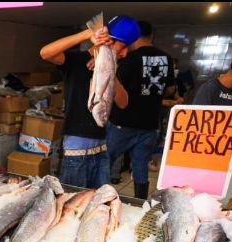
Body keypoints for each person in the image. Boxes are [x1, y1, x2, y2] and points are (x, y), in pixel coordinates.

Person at [40, 15, 140, 189]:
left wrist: (109, 70)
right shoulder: (77, 61)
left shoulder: (114, 66)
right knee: (74, 200)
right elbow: (45, 53)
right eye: (123, 46)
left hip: (102, 149)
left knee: (99, 199)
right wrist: (88, 33)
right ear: (109, 40)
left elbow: (123, 103)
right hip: (76, 151)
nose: (124, 53)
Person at [107, 21, 175, 199]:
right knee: (140, 167)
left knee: (105, 161)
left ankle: (100, 198)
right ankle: (139, 204)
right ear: (152, 35)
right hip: (150, 124)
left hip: (123, 123)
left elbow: (116, 89)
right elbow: (170, 89)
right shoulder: (167, 58)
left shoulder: (130, 58)